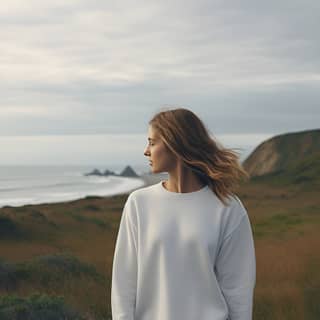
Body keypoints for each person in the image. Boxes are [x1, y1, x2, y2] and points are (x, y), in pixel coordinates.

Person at [111, 107, 256, 320]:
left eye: (152, 142)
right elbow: (123, 286)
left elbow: (238, 293)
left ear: (174, 143)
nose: (146, 151)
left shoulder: (227, 208)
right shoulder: (138, 203)